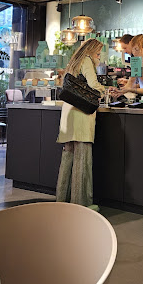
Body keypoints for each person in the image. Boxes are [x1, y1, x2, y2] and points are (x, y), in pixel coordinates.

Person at [55, 38, 106, 210]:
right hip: (81, 114)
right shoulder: (87, 61)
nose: (99, 56)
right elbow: (93, 85)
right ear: (91, 51)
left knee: (68, 157)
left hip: (68, 113)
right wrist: (105, 90)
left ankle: (62, 200)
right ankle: (81, 204)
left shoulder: (74, 62)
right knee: (82, 159)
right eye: (98, 52)